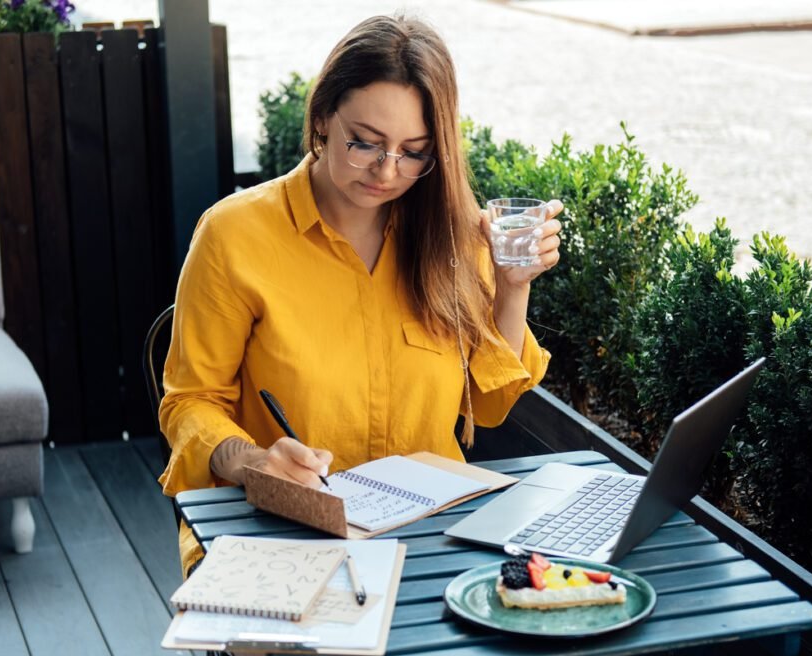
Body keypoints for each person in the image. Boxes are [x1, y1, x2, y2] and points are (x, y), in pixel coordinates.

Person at [159, 6, 560, 622]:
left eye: (414, 152)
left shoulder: (450, 234)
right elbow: (189, 402)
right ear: (322, 117)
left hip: (430, 539)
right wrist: (255, 462)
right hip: (276, 536)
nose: (387, 171)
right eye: (365, 143)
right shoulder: (235, 236)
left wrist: (512, 289)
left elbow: (488, 407)